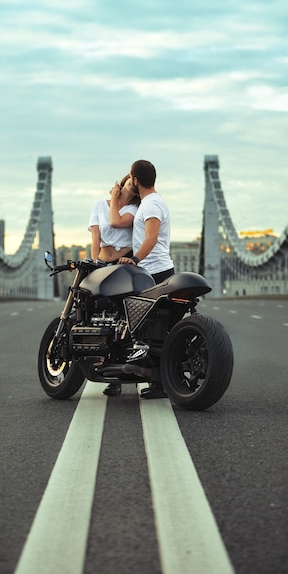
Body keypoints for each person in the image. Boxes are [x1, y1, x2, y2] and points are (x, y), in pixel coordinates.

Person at [118, 159, 174, 399]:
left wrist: (135, 259)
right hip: (157, 269)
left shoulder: (151, 205)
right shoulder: (151, 203)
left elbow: (150, 238)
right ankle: (156, 382)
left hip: (154, 271)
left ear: (137, 180)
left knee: (147, 325)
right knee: (155, 328)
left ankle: (151, 377)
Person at [89, 175, 140, 397]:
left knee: (120, 318)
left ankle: (117, 377)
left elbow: (114, 222)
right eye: (129, 183)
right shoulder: (99, 205)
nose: (131, 188)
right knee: (96, 313)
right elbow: (95, 238)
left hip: (122, 265)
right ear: (122, 182)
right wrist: (93, 265)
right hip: (101, 263)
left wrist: (115, 199)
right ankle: (101, 362)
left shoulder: (135, 211)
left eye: (135, 187)